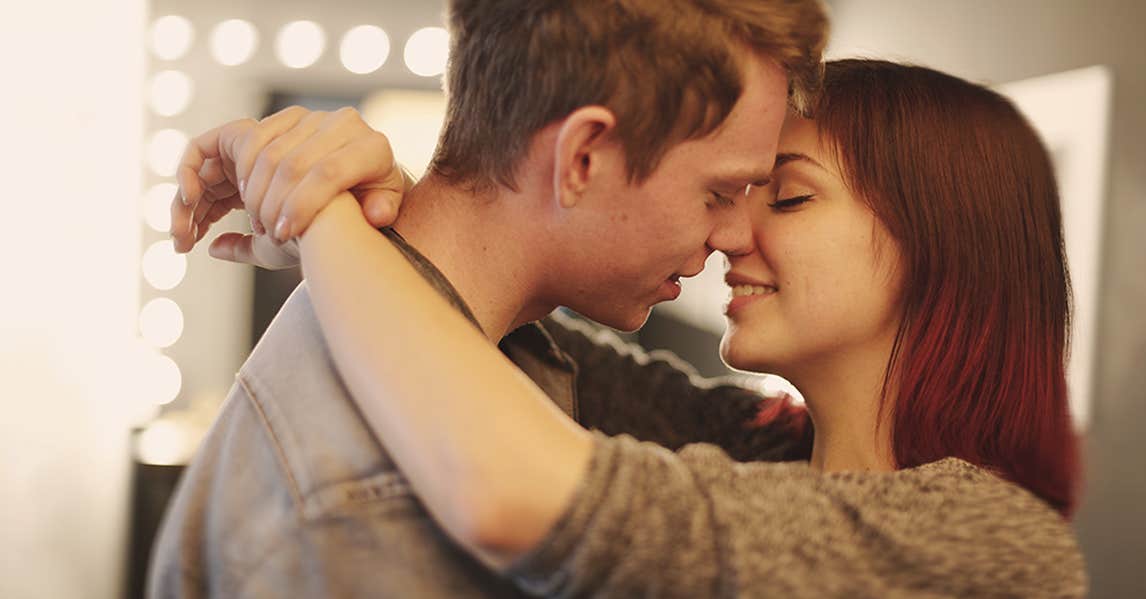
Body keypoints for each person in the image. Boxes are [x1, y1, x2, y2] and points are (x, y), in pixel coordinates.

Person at [220, 59, 1090, 596]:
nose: (728, 236)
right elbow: (479, 301)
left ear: (942, 244)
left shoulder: (995, 547)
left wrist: (323, 218)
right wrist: (351, 186)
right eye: (728, 195)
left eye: (784, 196)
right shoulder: (744, 441)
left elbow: (525, 489)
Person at [148, 1, 829, 597]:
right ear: (582, 158)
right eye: (716, 193)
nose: (736, 233)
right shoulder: (371, 515)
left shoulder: (491, 354)